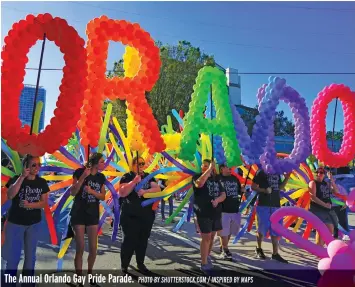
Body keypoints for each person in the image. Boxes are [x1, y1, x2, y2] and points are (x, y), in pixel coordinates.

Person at [2, 154, 49, 285]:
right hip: (15, 223)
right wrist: (22, 177)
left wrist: (30, 205)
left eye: (39, 164)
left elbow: (44, 203)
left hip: (33, 224)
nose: (37, 167)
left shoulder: (42, 182)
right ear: (26, 166)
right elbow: (10, 195)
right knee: (13, 258)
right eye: (34, 164)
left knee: (30, 258)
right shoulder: (16, 179)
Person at [118, 156, 161, 274]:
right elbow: (122, 192)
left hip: (146, 216)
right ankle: (124, 265)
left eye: (143, 163)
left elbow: (157, 189)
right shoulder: (127, 176)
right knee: (128, 241)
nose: (141, 166)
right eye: (139, 164)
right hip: (130, 215)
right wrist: (134, 182)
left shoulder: (148, 176)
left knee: (142, 241)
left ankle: (140, 264)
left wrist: (145, 192)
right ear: (133, 165)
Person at [70, 153, 106, 287]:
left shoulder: (101, 177)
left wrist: (92, 192)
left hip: (92, 214)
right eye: (102, 162)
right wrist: (83, 178)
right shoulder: (80, 172)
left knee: (93, 248)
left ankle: (90, 273)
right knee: (80, 247)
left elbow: (102, 196)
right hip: (79, 213)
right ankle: (79, 278)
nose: (104, 164)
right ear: (95, 163)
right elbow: (73, 192)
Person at [193, 159, 226, 273]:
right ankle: (203, 262)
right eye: (204, 166)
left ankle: (207, 256)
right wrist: (208, 170)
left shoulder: (217, 179)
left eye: (208, 166)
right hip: (203, 212)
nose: (205, 167)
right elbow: (199, 183)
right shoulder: (197, 176)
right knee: (206, 237)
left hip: (215, 213)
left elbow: (223, 194)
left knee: (212, 237)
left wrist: (217, 200)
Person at [251, 167, 291, 263]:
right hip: (263, 205)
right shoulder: (261, 171)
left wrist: (286, 178)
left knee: (275, 229)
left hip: (276, 205)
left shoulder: (277, 172)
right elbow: (253, 186)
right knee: (262, 228)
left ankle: (275, 253)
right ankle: (259, 248)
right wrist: (264, 190)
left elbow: (280, 187)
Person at [217, 163, 245, 259]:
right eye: (227, 168)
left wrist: (242, 190)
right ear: (221, 169)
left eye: (230, 167)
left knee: (229, 231)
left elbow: (238, 191)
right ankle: (225, 249)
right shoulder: (218, 179)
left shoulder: (234, 178)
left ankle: (224, 247)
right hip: (223, 209)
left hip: (235, 208)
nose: (230, 169)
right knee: (224, 231)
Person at [309, 167, 339, 246]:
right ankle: (319, 249)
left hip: (326, 210)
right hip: (317, 209)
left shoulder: (326, 183)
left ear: (324, 174)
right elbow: (313, 197)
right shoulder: (313, 183)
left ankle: (320, 248)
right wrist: (325, 204)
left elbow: (336, 191)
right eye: (317, 172)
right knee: (321, 230)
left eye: (321, 172)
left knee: (330, 230)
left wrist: (331, 180)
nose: (319, 174)